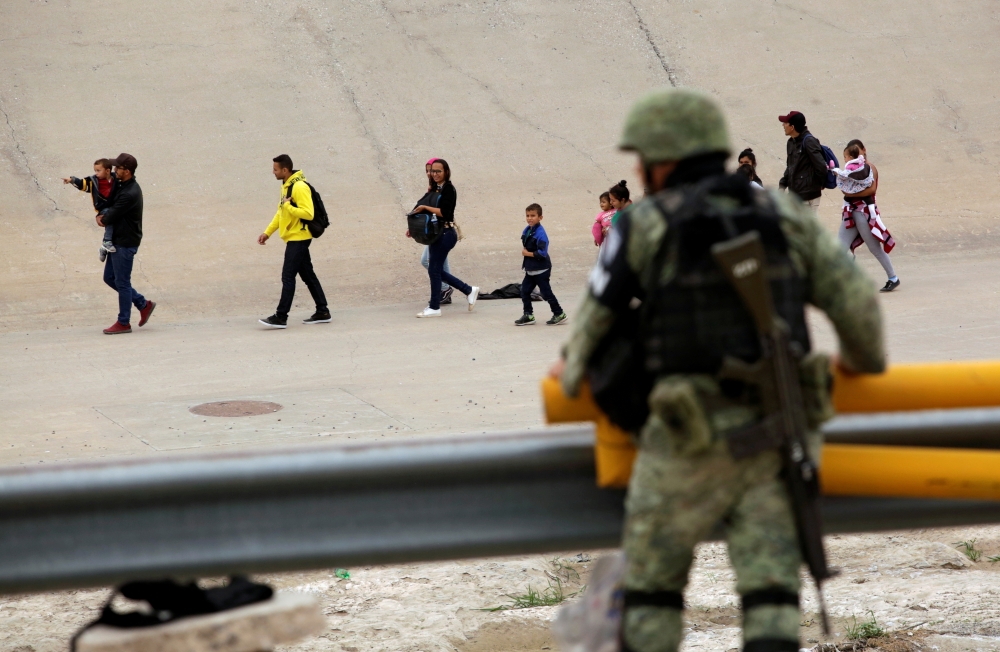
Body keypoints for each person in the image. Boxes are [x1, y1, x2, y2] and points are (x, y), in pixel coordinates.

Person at [551, 88, 885, 652]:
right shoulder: (782, 217)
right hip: (775, 441)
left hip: (681, 443)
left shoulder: (641, 227)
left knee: (652, 598)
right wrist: (845, 367)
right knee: (772, 604)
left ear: (663, 161)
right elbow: (865, 335)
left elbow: (579, 351)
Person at [257, 155, 331, 329]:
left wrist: (289, 206)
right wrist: (267, 233)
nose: (273, 172)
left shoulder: (299, 187)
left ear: (285, 170)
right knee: (307, 275)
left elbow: (308, 214)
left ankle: (281, 317)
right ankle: (323, 311)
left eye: (275, 169)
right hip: (294, 236)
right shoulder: (287, 186)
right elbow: (281, 213)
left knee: (288, 276)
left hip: (299, 237)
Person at [96, 153, 155, 334]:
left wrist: (102, 217)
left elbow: (109, 217)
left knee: (122, 282)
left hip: (125, 243)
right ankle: (143, 304)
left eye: (117, 168)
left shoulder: (130, 193)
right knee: (110, 278)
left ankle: (124, 322)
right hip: (117, 241)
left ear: (126, 171)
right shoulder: (123, 186)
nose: (113, 170)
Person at [412, 159, 479, 317]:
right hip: (436, 234)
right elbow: (421, 206)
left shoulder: (449, 189)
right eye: (432, 171)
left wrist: (425, 207)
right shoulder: (436, 188)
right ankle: (468, 290)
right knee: (434, 270)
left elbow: (445, 213)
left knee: (434, 269)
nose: (434, 174)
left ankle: (435, 307)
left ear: (446, 172)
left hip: (446, 234)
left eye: (438, 171)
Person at [837, 139, 899, 292]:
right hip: (852, 212)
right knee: (839, 248)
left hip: (864, 212)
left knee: (875, 248)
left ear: (864, 150)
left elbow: (871, 191)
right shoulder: (853, 169)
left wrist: (849, 192)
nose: (855, 156)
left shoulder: (870, 168)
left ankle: (893, 277)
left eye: (857, 152)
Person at [515, 203, 567, 326]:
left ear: (540, 217)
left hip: (542, 269)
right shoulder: (528, 230)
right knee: (524, 291)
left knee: (546, 293)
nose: (529, 218)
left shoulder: (541, 234)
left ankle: (559, 313)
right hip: (531, 270)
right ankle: (528, 315)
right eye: (527, 215)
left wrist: (527, 254)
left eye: (533, 215)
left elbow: (542, 253)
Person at [63, 158, 119, 261]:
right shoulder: (94, 181)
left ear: (107, 171)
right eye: (95, 171)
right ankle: (106, 241)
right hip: (103, 208)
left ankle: (104, 249)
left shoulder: (116, 179)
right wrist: (72, 180)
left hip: (115, 206)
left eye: (98, 170)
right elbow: (82, 184)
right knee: (110, 217)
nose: (96, 173)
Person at [414, 158, 453, 304]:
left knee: (428, 261)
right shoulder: (434, 188)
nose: (430, 174)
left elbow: (443, 211)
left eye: (433, 170)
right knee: (441, 263)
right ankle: (446, 289)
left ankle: (449, 289)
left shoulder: (444, 188)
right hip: (434, 230)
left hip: (441, 231)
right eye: (428, 171)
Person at [777, 111, 829, 215]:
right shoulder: (791, 142)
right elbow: (790, 167)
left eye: (785, 123)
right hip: (796, 196)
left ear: (792, 127)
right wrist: (782, 185)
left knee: (808, 230)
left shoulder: (809, 141)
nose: (783, 125)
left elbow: (821, 167)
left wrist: (817, 185)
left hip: (808, 197)